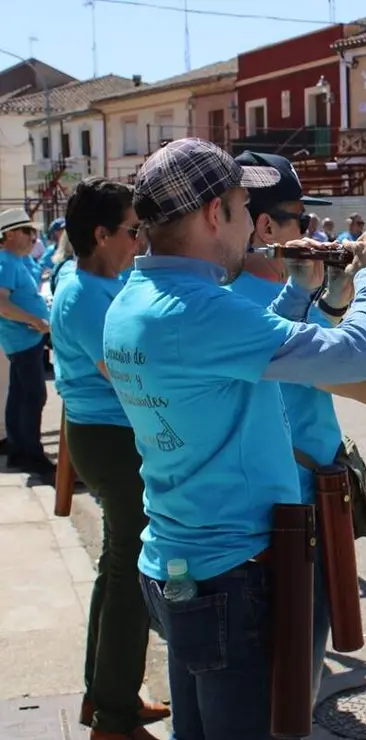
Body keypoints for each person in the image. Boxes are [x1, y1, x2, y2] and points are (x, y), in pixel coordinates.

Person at [101, 138, 366, 738]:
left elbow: (243, 356)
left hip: (180, 559)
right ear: (215, 212)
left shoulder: (136, 299)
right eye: (243, 210)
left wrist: (297, 289)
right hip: (234, 576)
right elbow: (359, 354)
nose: (250, 229)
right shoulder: (199, 309)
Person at [227, 150, 366, 701]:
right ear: (265, 227)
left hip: (264, 513)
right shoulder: (263, 304)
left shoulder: (228, 295)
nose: (312, 231)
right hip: (289, 521)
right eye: (301, 221)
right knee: (285, 695)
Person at [50, 178, 169, 740]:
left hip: (101, 434)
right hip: (110, 439)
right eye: (131, 230)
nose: (139, 240)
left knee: (116, 566)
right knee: (131, 574)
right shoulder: (86, 295)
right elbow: (126, 371)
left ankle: (104, 693)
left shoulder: (89, 281)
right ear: (101, 235)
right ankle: (113, 715)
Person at [0, 207, 53, 477]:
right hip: (21, 339)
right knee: (33, 395)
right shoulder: (6, 261)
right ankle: (30, 454)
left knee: (21, 394)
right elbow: (2, 303)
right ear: (9, 234)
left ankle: (19, 449)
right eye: (27, 231)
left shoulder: (15, 260)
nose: (34, 237)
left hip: (25, 340)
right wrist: (35, 321)